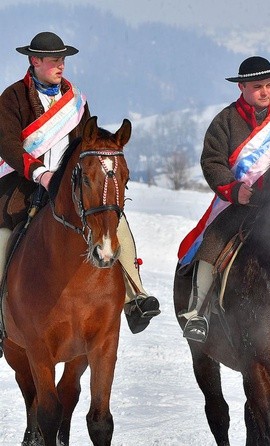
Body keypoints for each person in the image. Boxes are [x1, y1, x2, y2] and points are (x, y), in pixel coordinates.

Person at [0, 32, 161, 350]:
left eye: (63, 59)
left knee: (116, 224)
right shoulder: (13, 98)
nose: (61, 65)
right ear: (35, 61)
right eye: (54, 60)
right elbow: (7, 143)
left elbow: (85, 145)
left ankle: (135, 297)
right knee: (2, 241)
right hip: (22, 186)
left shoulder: (76, 102)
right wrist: (39, 172)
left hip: (70, 188)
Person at [178, 56, 270, 342]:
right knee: (213, 241)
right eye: (258, 86)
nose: (265, 92)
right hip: (243, 204)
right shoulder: (224, 121)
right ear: (242, 88)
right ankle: (197, 312)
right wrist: (235, 190)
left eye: (269, 85)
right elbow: (212, 162)